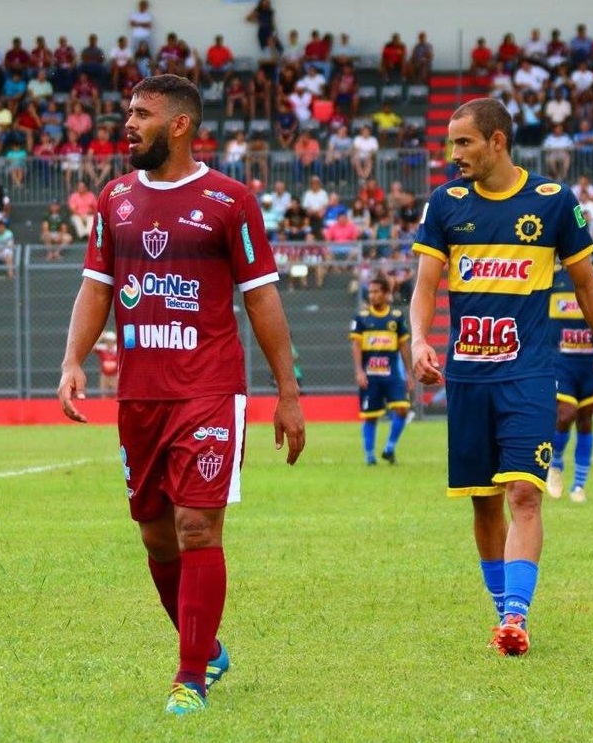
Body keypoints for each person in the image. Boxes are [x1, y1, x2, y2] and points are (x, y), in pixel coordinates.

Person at [57, 74, 305, 715]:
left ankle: (189, 677)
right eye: (128, 112)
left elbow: (262, 298)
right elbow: (95, 288)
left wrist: (288, 391)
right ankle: (209, 649)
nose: (128, 124)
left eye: (141, 114)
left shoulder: (229, 200)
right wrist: (73, 361)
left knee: (198, 526)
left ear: (180, 124)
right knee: (156, 537)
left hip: (210, 390)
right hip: (140, 394)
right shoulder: (114, 200)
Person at [409, 97, 593, 657]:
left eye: (464, 143)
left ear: (498, 141)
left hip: (530, 374)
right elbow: (426, 286)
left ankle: (516, 617)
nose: (454, 154)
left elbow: (588, 289)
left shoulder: (554, 202)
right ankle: (501, 607)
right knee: (483, 502)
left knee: (523, 495)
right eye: (451, 143)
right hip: (467, 378)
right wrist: (417, 338)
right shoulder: (445, 204)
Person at [546, 263, 593, 503]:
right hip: (560, 359)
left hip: (591, 360)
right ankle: (555, 463)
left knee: (585, 420)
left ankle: (578, 485)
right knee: (565, 413)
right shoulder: (552, 273)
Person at [350, 275, 414, 465]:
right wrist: (359, 372)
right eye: (370, 292)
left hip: (392, 375)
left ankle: (389, 448)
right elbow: (356, 345)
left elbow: (404, 347)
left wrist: (409, 374)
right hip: (370, 376)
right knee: (371, 417)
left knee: (402, 409)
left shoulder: (396, 318)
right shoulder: (362, 318)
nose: (372, 295)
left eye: (376, 291)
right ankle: (370, 456)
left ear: (386, 293)